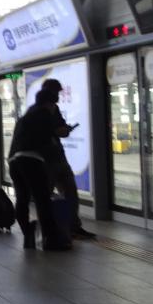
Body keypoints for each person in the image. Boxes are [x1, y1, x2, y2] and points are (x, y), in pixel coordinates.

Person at [8, 89, 70, 251]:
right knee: (42, 199)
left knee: (22, 199)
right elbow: (51, 139)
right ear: (49, 103)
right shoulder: (44, 115)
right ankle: (51, 239)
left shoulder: (26, 117)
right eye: (54, 104)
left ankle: (27, 235)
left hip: (14, 160)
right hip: (31, 160)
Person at [40, 79, 96, 240]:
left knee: (70, 192)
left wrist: (65, 130)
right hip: (45, 161)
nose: (58, 96)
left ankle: (73, 227)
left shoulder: (55, 109)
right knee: (45, 196)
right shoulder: (37, 111)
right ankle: (49, 231)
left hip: (58, 157)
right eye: (56, 92)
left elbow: (60, 129)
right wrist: (57, 131)